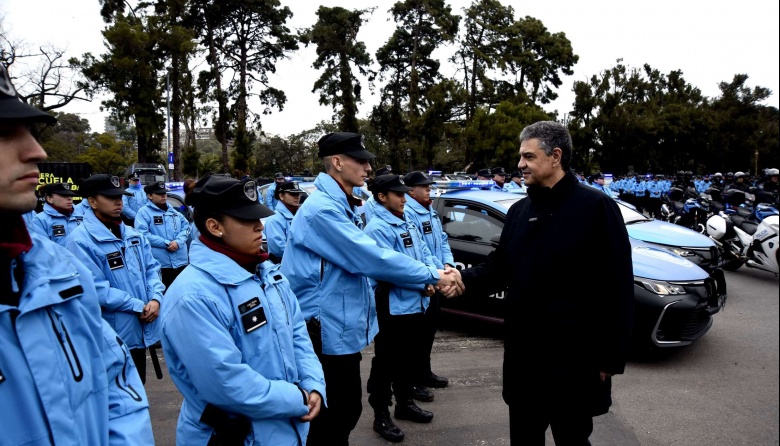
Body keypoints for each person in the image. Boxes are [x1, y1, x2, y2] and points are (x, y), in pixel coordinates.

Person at [0, 62, 153, 444]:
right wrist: (135, 303)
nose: (36, 150)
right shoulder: (75, 245)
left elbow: (117, 388)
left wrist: (153, 297)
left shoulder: (58, 268)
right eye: (4, 134)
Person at [280, 131, 464, 446]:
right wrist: (432, 275)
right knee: (333, 414)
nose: (368, 168)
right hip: (322, 329)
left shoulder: (346, 205)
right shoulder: (323, 210)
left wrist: (434, 272)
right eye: (361, 161)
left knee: (343, 410)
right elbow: (370, 257)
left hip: (339, 327)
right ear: (337, 162)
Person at [460, 121, 634, 445]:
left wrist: (609, 358)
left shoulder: (597, 208)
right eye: (520, 156)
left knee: (572, 439)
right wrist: (459, 280)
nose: (519, 164)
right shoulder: (518, 210)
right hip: (524, 363)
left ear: (555, 156)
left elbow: (618, 287)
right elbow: (500, 267)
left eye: (528, 156)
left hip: (575, 365)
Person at [160, 174, 325, 445]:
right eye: (248, 220)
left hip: (285, 426)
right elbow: (225, 383)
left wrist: (313, 384)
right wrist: (299, 398)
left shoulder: (268, 273)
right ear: (215, 226)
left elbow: (297, 335)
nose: (260, 226)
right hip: (234, 435)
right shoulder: (193, 295)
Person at [67, 174, 166, 384]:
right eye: (110, 197)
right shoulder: (80, 240)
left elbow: (151, 269)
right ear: (92, 201)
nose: (118, 201)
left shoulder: (133, 235)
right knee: (116, 397)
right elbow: (96, 288)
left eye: (120, 196)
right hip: (111, 335)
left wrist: (156, 299)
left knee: (137, 389)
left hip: (138, 330)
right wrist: (138, 306)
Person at [364, 174, 440, 442]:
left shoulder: (407, 219)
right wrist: (425, 282)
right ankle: (381, 414)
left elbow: (426, 252)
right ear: (382, 197)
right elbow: (388, 268)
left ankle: (404, 403)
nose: (403, 198)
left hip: (418, 301)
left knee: (409, 356)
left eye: (404, 193)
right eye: (397, 194)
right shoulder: (377, 228)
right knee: (387, 360)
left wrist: (431, 274)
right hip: (393, 304)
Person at [403, 171, 454, 398]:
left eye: (429, 186)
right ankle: (411, 380)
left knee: (429, 331)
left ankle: (424, 372)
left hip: (436, 276)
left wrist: (447, 264)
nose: (428, 190)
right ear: (411, 191)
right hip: (424, 281)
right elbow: (418, 250)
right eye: (424, 187)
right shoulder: (408, 213)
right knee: (415, 335)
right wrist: (434, 276)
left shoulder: (430, 210)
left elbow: (441, 240)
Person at [134, 181, 191, 289]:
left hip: (181, 262)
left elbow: (187, 227)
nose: (163, 196)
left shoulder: (174, 212)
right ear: (150, 196)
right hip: (161, 264)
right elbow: (142, 234)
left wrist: (178, 242)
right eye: (159, 194)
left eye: (164, 193)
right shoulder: (143, 213)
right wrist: (166, 243)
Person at [29, 182, 81, 246]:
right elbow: (43, 248)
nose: (69, 198)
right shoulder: (39, 220)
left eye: (70, 195)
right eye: (64, 195)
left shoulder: (81, 216)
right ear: (50, 199)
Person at [265, 180, 304, 262]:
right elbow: (280, 249)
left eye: (298, 193)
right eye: (292, 194)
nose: (297, 196)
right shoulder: (274, 219)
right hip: (283, 266)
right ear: (281, 196)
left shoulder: (300, 215)